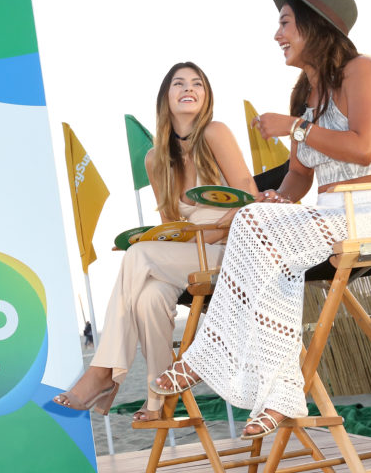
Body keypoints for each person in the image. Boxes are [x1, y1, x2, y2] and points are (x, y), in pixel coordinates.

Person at [153, 0, 371, 440]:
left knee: (258, 230)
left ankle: (206, 357)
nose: (278, 35)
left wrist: (293, 127)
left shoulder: (361, 71)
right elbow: (299, 178)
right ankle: (280, 393)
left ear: (315, 25)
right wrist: (279, 199)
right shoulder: (305, 94)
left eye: (286, 23)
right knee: (255, 218)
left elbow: (364, 148)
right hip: (330, 216)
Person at [54, 62, 258, 421]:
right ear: (166, 97)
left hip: (231, 251)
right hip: (190, 257)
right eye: (178, 83)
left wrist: (202, 235)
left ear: (206, 95)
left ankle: (103, 372)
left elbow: (250, 201)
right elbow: (172, 226)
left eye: (197, 83)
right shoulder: (155, 160)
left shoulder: (216, 133)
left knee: (139, 256)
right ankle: (158, 400)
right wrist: (158, 240)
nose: (188, 88)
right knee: (148, 298)